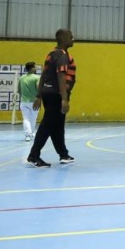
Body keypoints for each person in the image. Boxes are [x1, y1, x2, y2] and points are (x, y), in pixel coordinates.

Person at [27, 29, 77, 168]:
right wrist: (64, 99)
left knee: (57, 126)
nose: (73, 39)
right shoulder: (62, 55)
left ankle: (63, 154)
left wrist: (39, 95)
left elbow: (43, 76)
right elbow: (61, 76)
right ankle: (34, 156)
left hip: (47, 93)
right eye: (71, 37)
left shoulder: (51, 54)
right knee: (47, 125)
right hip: (56, 94)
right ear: (63, 39)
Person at [18, 61, 41, 142]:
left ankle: (29, 134)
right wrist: (39, 99)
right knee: (33, 118)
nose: (36, 68)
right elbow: (39, 89)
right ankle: (29, 134)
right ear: (32, 68)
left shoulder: (21, 78)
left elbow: (19, 90)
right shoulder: (37, 78)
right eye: (35, 67)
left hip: (24, 102)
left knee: (26, 118)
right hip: (34, 101)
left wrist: (24, 97)